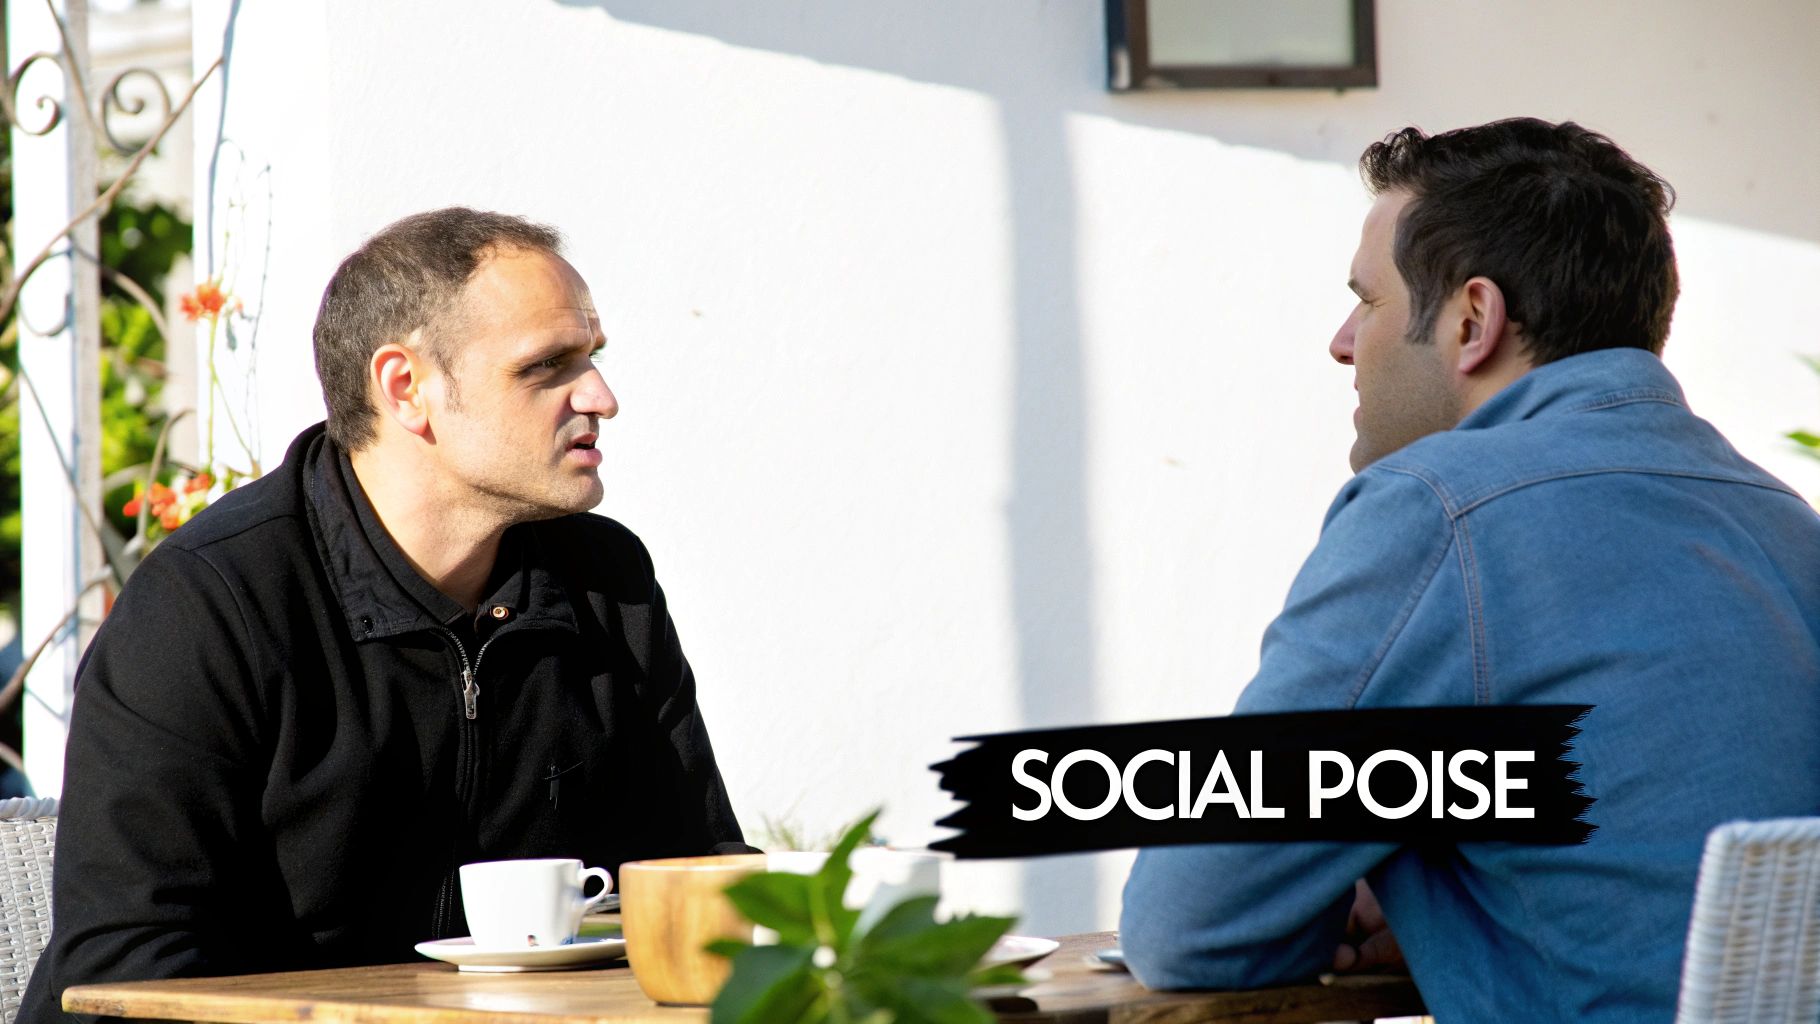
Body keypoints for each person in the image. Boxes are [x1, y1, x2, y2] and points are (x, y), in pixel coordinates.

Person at [1120, 118, 1820, 1022]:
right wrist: (1436, 873)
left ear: (1472, 320)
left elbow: (1189, 927)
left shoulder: (1439, 512)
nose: (1342, 341)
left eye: (1367, 301)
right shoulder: (1781, 517)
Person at [21, 209, 752, 1021]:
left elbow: (695, 881)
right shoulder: (210, 605)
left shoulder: (607, 584)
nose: (601, 397)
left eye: (592, 358)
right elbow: (127, 977)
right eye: (546, 366)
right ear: (407, 388)